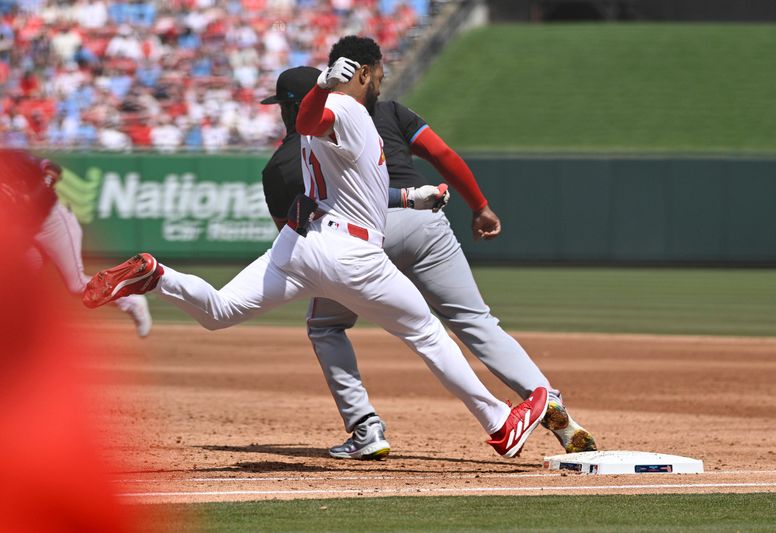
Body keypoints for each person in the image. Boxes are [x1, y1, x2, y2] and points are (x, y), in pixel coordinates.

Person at [82, 36, 548, 459]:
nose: (382, 82)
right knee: (426, 333)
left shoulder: (351, 121)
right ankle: (500, 423)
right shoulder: (345, 110)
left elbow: (352, 180)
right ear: (363, 73)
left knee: (219, 311)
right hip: (351, 252)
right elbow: (311, 118)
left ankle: (157, 276)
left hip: (302, 245)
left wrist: (412, 197)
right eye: (379, 74)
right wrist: (324, 87)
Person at [260, 67, 597, 459]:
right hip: (424, 219)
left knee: (325, 326)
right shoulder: (385, 113)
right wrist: (480, 207)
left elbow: (295, 241)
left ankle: (366, 428)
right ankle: (546, 397)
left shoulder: (281, 165)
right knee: (476, 319)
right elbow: (442, 154)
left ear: (288, 109)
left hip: (358, 240)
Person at [0, 149, 151, 337]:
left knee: (77, 284)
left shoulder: (11, 158)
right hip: (27, 233)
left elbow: (52, 169)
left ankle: (132, 302)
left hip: (53, 222)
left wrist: (35, 197)